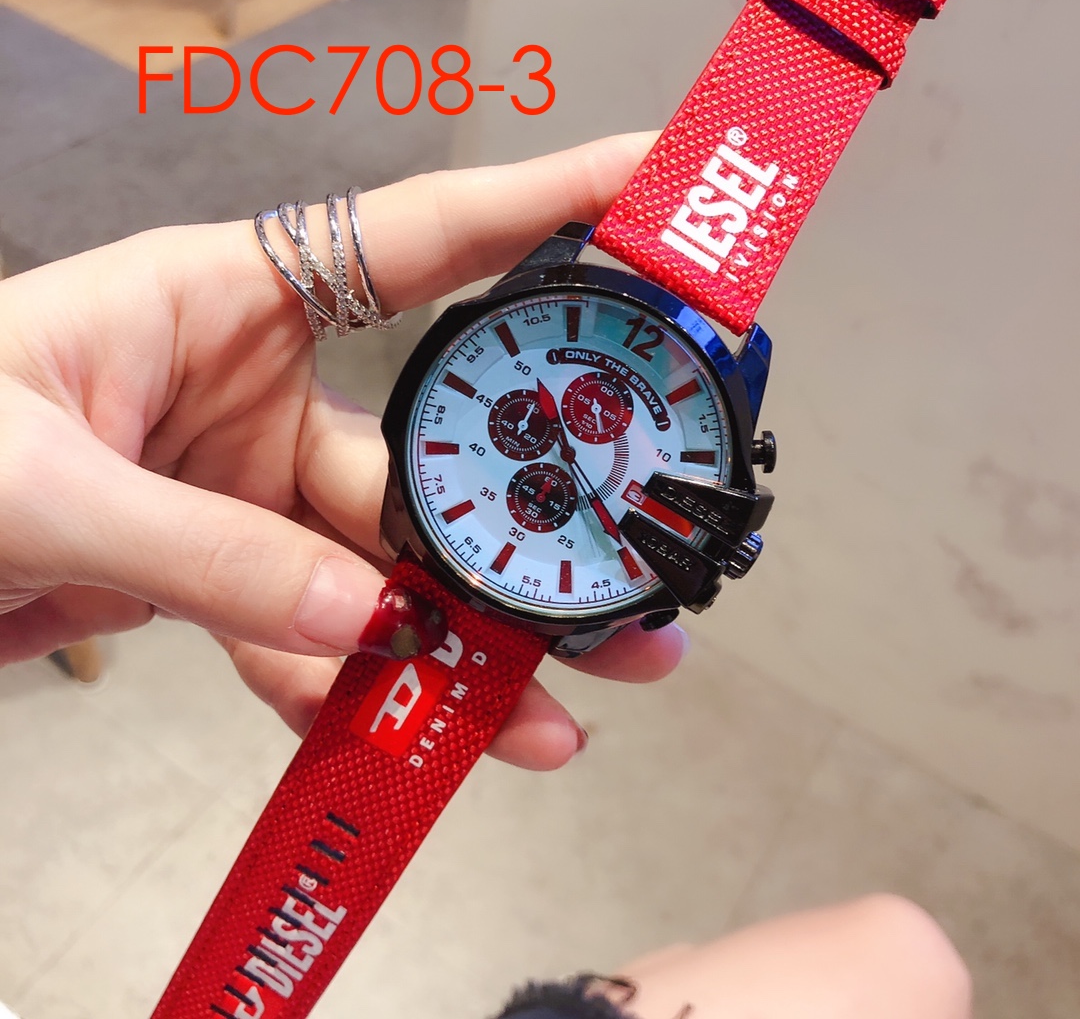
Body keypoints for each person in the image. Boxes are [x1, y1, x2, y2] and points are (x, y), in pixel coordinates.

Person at [0, 134, 971, 1017]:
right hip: (460, 562)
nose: (576, 458)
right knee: (906, 947)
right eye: (554, 430)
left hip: (495, 587)